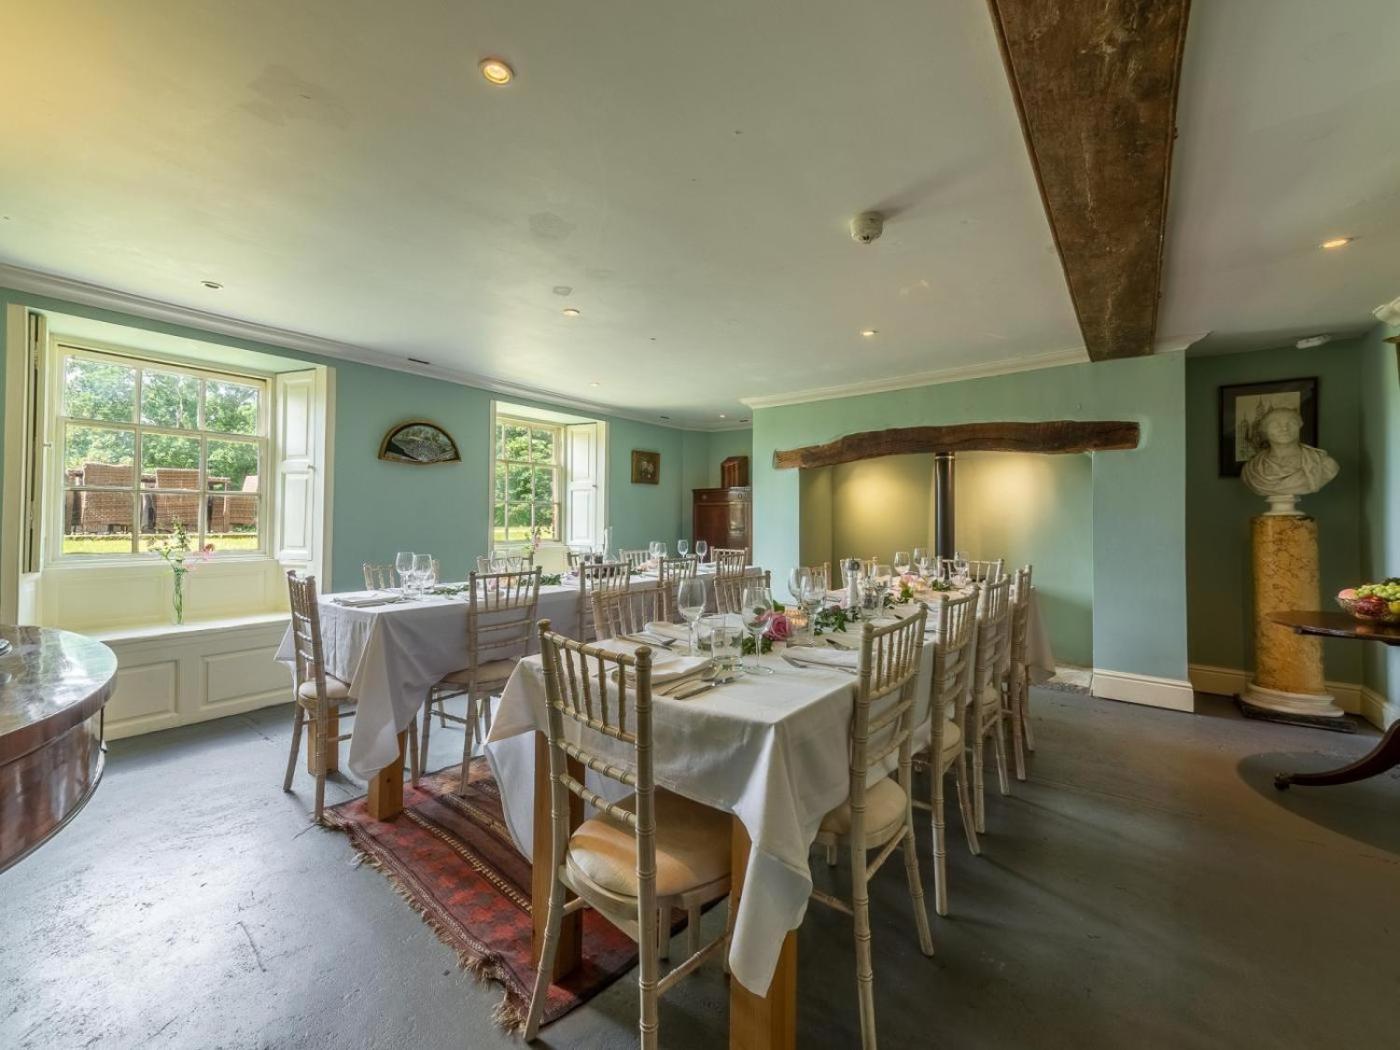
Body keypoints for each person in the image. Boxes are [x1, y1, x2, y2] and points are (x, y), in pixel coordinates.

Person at [1241, 406, 1338, 511]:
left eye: (1291, 423)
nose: (1284, 428)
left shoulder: (1323, 463)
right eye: (1275, 424)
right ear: (1265, 430)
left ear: (1299, 426)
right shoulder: (1252, 468)